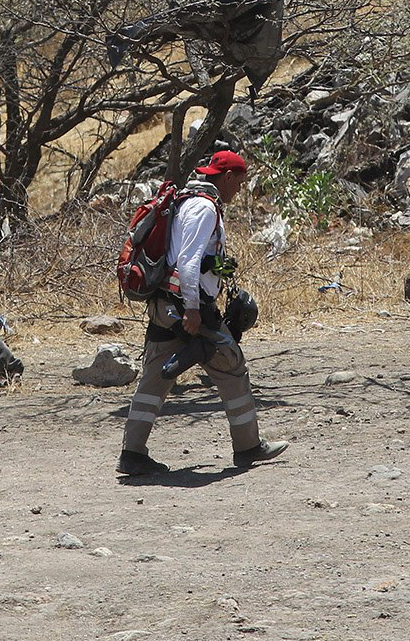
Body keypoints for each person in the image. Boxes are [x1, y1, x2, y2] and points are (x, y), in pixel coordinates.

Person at [117, 149, 290, 477]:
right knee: (231, 366)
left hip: (163, 306)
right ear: (226, 177)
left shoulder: (186, 201)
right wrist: (194, 310)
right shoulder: (205, 207)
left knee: (153, 379)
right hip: (186, 308)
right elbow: (188, 262)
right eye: (239, 182)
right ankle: (248, 446)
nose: (239, 189)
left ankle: (132, 454)